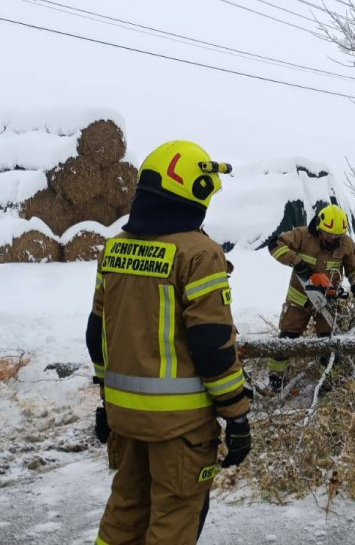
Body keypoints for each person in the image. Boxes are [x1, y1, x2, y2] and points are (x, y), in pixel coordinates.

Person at [87, 141, 252, 545]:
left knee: (124, 510)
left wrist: (108, 401)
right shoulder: (199, 254)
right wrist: (237, 414)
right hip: (181, 427)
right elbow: (213, 345)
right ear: (193, 193)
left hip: (126, 419)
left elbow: (97, 336)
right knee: (174, 521)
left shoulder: (114, 249)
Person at [265, 204, 355, 391]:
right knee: (287, 338)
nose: (332, 239)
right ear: (319, 226)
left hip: (328, 300)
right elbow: (275, 245)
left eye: (337, 236)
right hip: (299, 298)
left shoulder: (346, 244)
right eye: (329, 234)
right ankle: (276, 379)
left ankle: (328, 380)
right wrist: (297, 263)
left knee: (328, 341)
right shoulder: (302, 235)